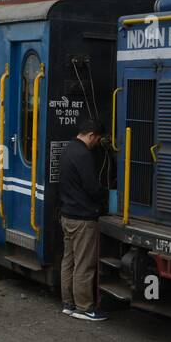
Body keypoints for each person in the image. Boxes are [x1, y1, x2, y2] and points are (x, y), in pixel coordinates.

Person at [58, 114, 109, 321]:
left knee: (68, 261)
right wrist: (106, 195)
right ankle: (84, 307)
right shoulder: (84, 155)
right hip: (83, 218)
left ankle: (68, 303)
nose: (97, 144)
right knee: (84, 264)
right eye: (97, 139)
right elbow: (91, 187)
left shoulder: (68, 150)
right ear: (90, 135)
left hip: (67, 214)